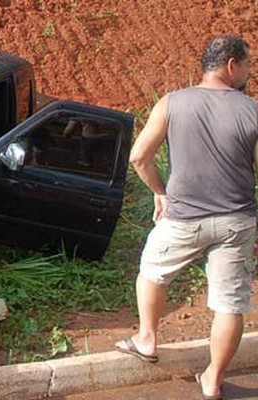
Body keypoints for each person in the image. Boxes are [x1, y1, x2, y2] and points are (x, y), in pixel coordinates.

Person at [115, 35, 257, 400]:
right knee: (229, 303)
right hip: (235, 221)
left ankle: (147, 338)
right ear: (230, 65)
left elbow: (138, 157)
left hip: (182, 218)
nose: (248, 71)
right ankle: (212, 380)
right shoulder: (252, 110)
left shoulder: (172, 103)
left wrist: (160, 192)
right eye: (246, 64)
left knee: (152, 271)